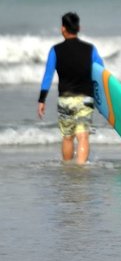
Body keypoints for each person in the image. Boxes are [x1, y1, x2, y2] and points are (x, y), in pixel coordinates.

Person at [37, 12, 104, 165]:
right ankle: (81, 169)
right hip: (85, 99)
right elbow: (101, 73)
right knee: (83, 136)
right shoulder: (90, 49)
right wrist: (103, 98)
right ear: (78, 28)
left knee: (67, 136)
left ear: (63, 29)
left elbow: (48, 76)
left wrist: (42, 100)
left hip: (65, 99)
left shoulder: (55, 50)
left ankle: (68, 171)